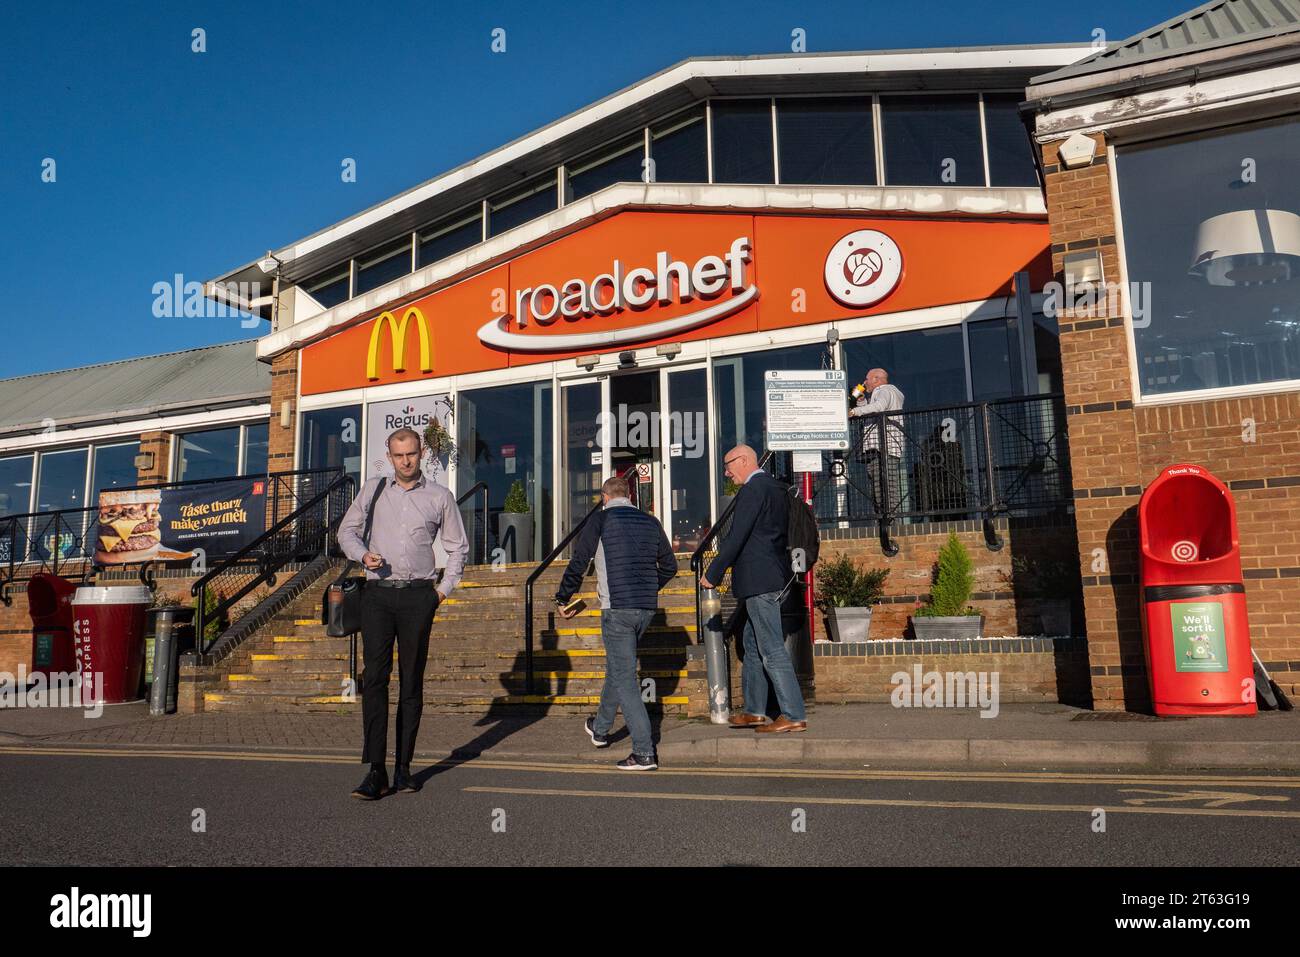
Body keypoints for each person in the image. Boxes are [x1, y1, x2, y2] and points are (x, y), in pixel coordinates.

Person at [337, 427, 470, 800]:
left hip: (417, 598)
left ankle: (404, 769)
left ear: (422, 451)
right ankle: (376, 771)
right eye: (398, 456)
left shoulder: (440, 497)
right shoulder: (373, 490)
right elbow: (346, 532)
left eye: (411, 454)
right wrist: (362, 555)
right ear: (389, 455)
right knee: (375, 679)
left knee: (412, 682)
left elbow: (458, 548)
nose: (405, 461)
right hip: (377, 596)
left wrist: (441, 592)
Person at [554, 474, 677, 771]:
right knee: (617, 669)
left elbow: (580, 560)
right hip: (646, 609)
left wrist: (563, 597)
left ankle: (644, 752)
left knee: (625, 678)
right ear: (630, 496)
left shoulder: (601, 519)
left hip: (617, 609)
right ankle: (599, 728)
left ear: (604, 497)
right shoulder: (651, 522)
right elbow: (670, 566)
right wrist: (649, 587)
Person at [699, 444, 807, 733]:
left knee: (771, 648)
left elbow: (737, 537)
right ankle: (754, 711)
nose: (726, 471)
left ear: (745, 460)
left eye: (729, 464)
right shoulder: (776, 488)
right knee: (751, 643)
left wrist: (713, 572)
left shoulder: (752, 490)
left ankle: (793, 713)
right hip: (775, 576)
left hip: (760, 580)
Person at [849, 367, 906, 517]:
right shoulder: (880, 393)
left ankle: (890, 522)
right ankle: (882, 518)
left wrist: (854, 411)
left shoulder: (885, 390)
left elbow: (880, 407)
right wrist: (861, 402)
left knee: (886, 487)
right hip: (879, 448)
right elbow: (872, 412)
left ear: (876, 379)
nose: (865, 382)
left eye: (867, 379)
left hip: (884, 447)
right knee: (878, 488)